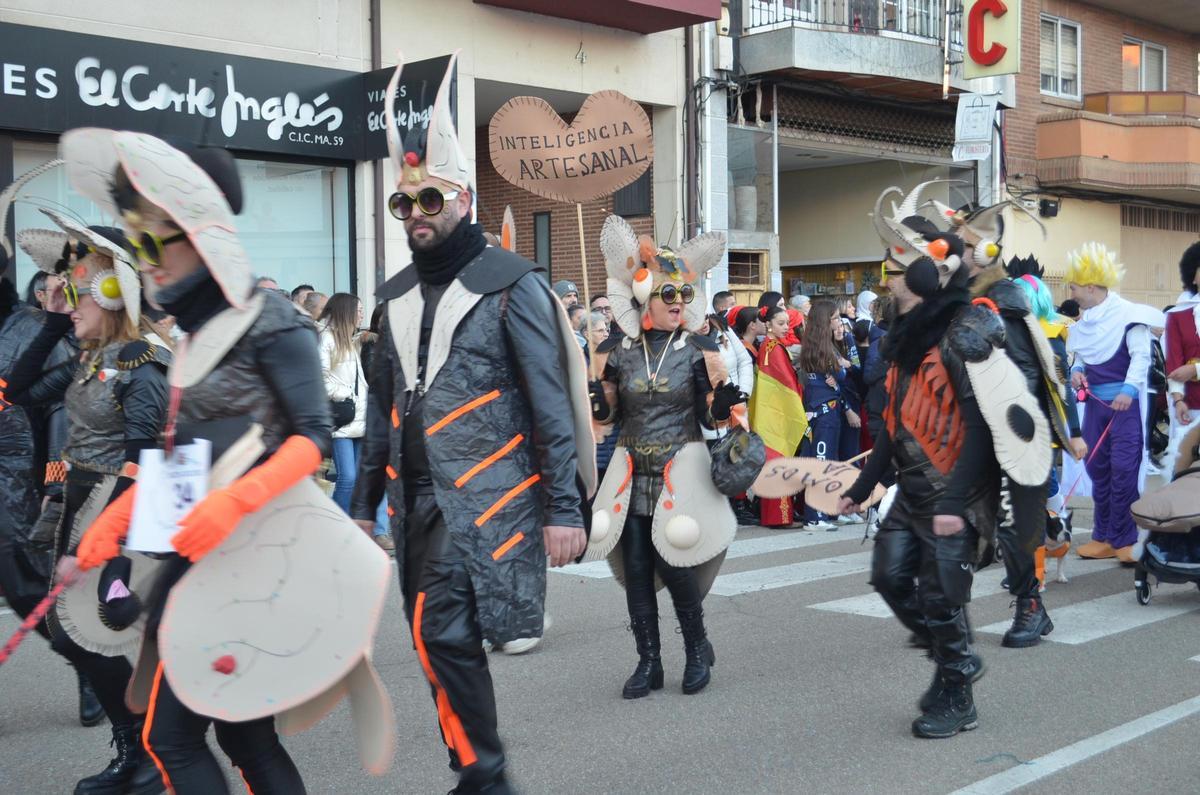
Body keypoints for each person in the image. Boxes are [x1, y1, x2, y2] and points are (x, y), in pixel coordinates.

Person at [62, 128, 388, 793]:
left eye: (155, 242)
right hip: (201, 560)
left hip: (255, 560)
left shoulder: (271, 320)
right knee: (239, 733)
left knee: (172, 736)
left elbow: (314, 436)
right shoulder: (192, 332)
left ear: (201, 236)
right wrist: (119, 520)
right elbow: (187, 457)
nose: (144, 260)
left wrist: (235, 499)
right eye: (136, 244)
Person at [351, 53, 592, 794]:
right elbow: (383, 413)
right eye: (404, 204)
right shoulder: (392, 298)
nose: (417, 215)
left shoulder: (511, 283)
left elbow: (551, 401)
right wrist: (362, 502)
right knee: (432, 637)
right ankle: (474, 765)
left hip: (488, 498)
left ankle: (485, 775)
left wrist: (563, 505)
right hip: (417, 501)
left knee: (448, 633)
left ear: (461, 199)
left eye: (430, 200)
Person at [838, 184, 1047, 740]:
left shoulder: (965, 331)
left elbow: (983, 425)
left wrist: (956, 502)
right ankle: (956, 663)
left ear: (927, 278)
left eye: (894, 268)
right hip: (911, 492)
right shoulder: (903, 339)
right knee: (888, 577)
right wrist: (862, 487)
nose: (884, 278)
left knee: (939, 595)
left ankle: (957, 693)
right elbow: (895, 425)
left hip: (958, 492)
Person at [5, 212, 170, 795]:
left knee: (111, 627)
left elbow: (144, 462)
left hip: (120, 518)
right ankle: (140, 749)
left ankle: (157, 751)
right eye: (65, 292)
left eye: (77, 292)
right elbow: (17, 394)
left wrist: (104, 545)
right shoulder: (88, 358)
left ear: (113, 294)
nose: (68, 300)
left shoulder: (142, 366)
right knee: (79, 633)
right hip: (77, 511)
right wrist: (51, 323)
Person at [588, 215, 740, 699]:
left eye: (684, 295)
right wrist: (595, 390)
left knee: (677, 567)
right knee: (635, 571)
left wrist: (720, 405)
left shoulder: (699, 349)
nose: (678, 303)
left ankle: (696, 649)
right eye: (667, 294)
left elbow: (714, 418)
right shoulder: (620, 352)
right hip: (633, 472)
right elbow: (608, 416)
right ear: (644, 299)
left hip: (681, 473)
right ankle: (647, 661)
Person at [936, 198, 1080, 648]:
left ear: (982, 257)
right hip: (981, 434)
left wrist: (1017, 438)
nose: (948, 259)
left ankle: (1031, 607)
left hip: (1016, 439)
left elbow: (1029, 377)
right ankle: (948, 610)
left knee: (1016, 528)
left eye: (959, 249)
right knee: (980, 524)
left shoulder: (1002, 310)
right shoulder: (969, 306)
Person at [1065, 242, 1164, 562]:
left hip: (1124, 408)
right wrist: (1077, 372)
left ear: (1091, 287)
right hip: (1095, 406)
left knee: (1124, 469)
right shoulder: (1084, 323)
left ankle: (1124, 538)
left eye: (1075, 286)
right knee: (1098, 469)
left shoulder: (1128, 316)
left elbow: (1141, 355)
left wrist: (1129, 390)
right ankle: (1104, 535)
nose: (1072, 292)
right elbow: (1080, 355)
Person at [1009, 259, 1085, 585]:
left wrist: (1077, 432)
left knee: (1042, 490)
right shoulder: (1012, 333)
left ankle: (1052, 543)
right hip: (1011, 427)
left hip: (1039, 429)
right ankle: (1027, 558)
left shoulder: (1051, 335)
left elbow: (1063, 390)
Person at [796, 300, 859, 529]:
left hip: (832, 410)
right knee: (821, 463)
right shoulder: (818, 349)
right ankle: (815, 516)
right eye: (834, 318)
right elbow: (841, 372)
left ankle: (829, 510)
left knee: (830, 462)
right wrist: (840, 369)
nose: (838, 322)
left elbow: (842, 374)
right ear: (825, 321)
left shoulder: (828, 346)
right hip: (822, 414)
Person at [752, 305, 808, 528]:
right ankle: (779, 518)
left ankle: (778, 516)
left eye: (787, 323)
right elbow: (787, 385)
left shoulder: (770, 346)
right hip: (778, 412)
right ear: (768, 324)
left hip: (772, 412)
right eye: (781, 323)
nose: (786, 328)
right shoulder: (773, 347)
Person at [318, 293, 367, 517]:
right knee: (347, 477)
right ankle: (336, 523)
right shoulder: (327, 338)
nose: (361, 314)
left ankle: (346, 526)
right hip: (342, 417)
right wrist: (345, 395)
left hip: (357, 416)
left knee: (355, 478)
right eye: (357, 310)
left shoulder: (349, 340)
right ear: (345, 311)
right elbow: (321, 378)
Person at [1164, 242, 1200, 474]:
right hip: (1190, 404)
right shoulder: (1178, 315)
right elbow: (1174, 362)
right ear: (1193, 277)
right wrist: (1178, 400)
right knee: (1183, 471)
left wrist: (1196, 370)